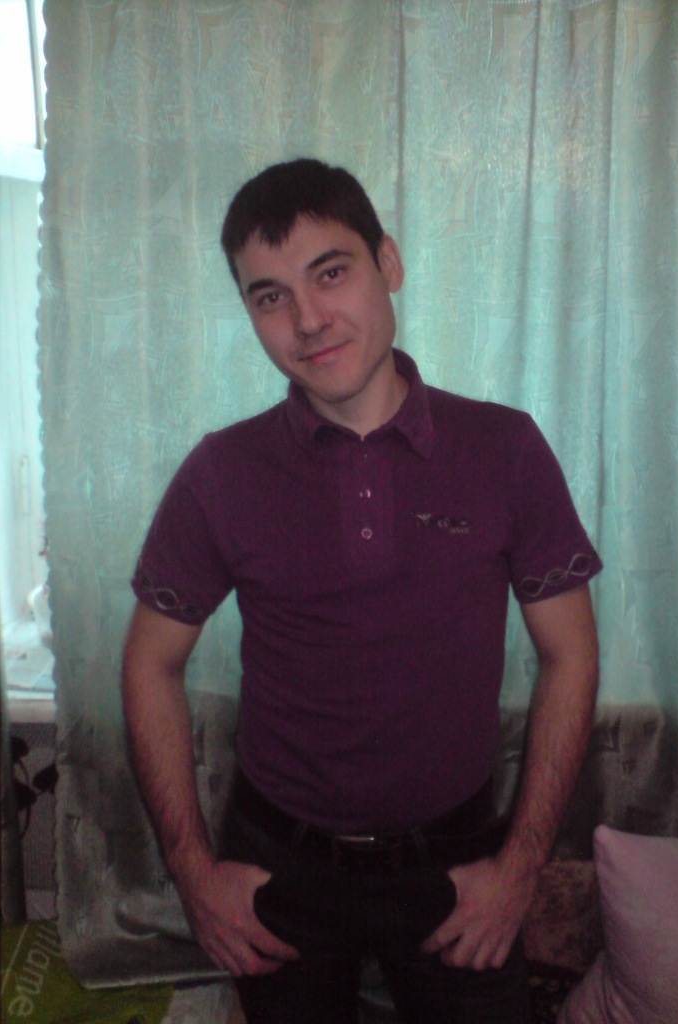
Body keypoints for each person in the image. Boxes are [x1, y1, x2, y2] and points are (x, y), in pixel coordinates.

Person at [121, 158, 601, 1023]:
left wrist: (519, 868)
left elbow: (570, 656)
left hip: (458, 863)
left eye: (330, 272)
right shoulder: (221, 473)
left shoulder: (504, 449)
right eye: (270, 296)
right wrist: (194, 876)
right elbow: (149, 663)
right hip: (279, 870)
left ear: (389, 262)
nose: (307, 319)